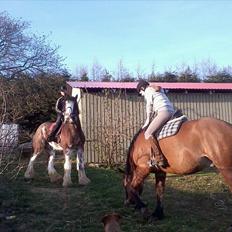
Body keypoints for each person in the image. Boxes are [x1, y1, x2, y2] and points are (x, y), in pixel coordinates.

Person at [137, 79, 175, 166]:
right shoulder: (158, 89)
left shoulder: (148, 91)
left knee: (148, 133)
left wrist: (147, 120)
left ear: (142, 89)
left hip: (164, 112)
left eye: (140, 93)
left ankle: (159, 158)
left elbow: (149, 106)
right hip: (171, 111)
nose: (142, 95)